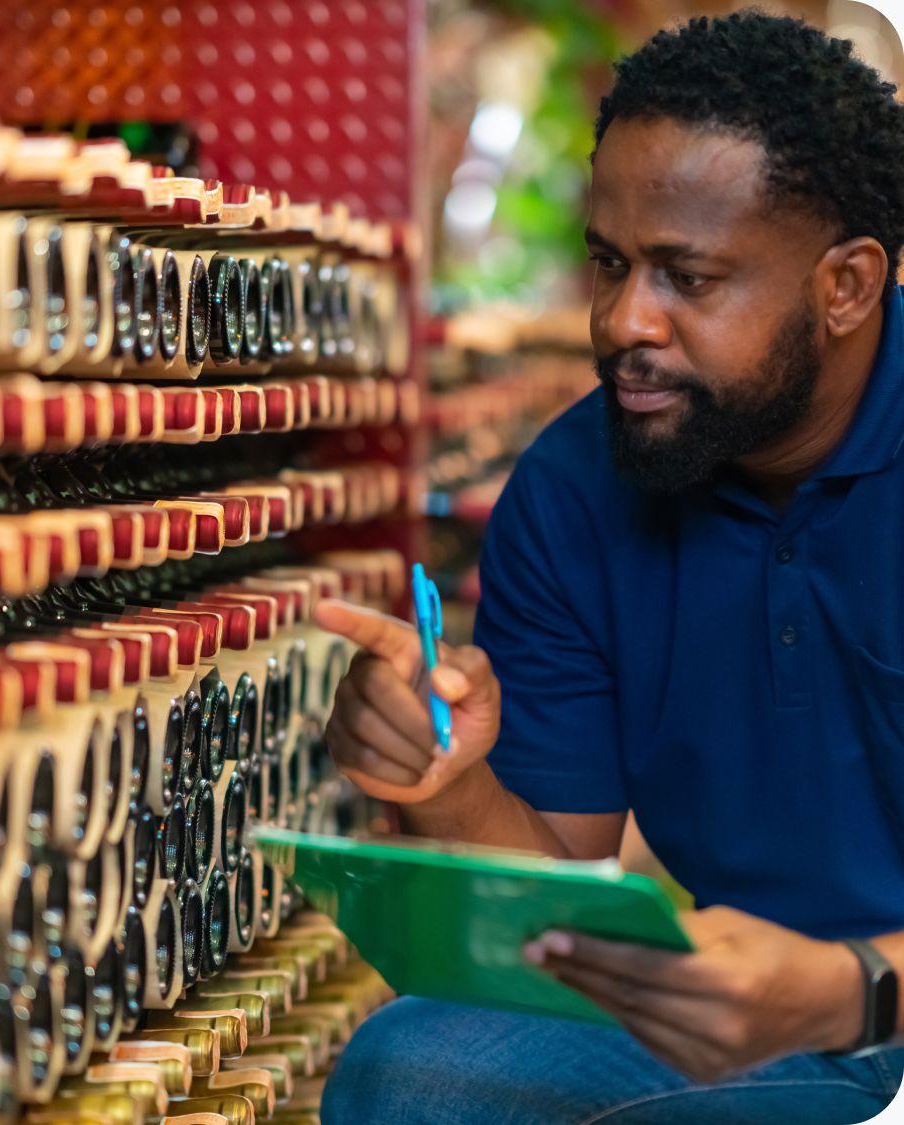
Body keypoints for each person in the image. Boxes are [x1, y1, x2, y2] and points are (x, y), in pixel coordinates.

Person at [314, 11, 904, 1124]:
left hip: (858, 1003)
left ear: (848, 287)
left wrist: (851, 988)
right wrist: (452, 776)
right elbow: (554, 905)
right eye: (611, 263)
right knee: (416, 1072)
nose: (625, 319)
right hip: (775, 1032)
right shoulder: (580, 488)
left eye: (688, 277)